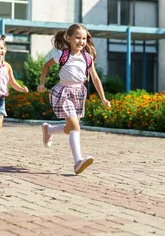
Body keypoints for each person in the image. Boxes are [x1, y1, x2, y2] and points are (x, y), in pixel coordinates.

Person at [38, 23, 111, 175]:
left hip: (79, 93)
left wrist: (103, 98)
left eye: (84, 38)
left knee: (70, 127)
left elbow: (95, 79)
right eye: (77, 38)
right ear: (69, 38)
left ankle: (49, 130)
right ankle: (78, 161)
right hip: (63, 93)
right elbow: (46, 66)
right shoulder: (63, 55)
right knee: (75, 127)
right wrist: (42, 83)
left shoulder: (87, 57)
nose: (81, 41)